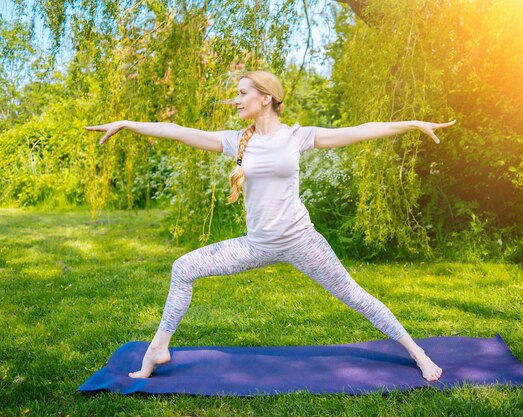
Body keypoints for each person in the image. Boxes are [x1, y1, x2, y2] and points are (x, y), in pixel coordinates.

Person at [85, 70, 456, 382]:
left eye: (242, 93)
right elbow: (177, 130)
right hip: (256, 245)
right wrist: (127, 124)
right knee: (183, 269)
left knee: (356, 296)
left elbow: (359, 130)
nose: (236, 99)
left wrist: (411, 123)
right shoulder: (236, 142)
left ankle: (418, 352)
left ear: (266, 98)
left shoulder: (297, 136)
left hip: (302, 242)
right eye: (236, 94)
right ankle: (157, 349)